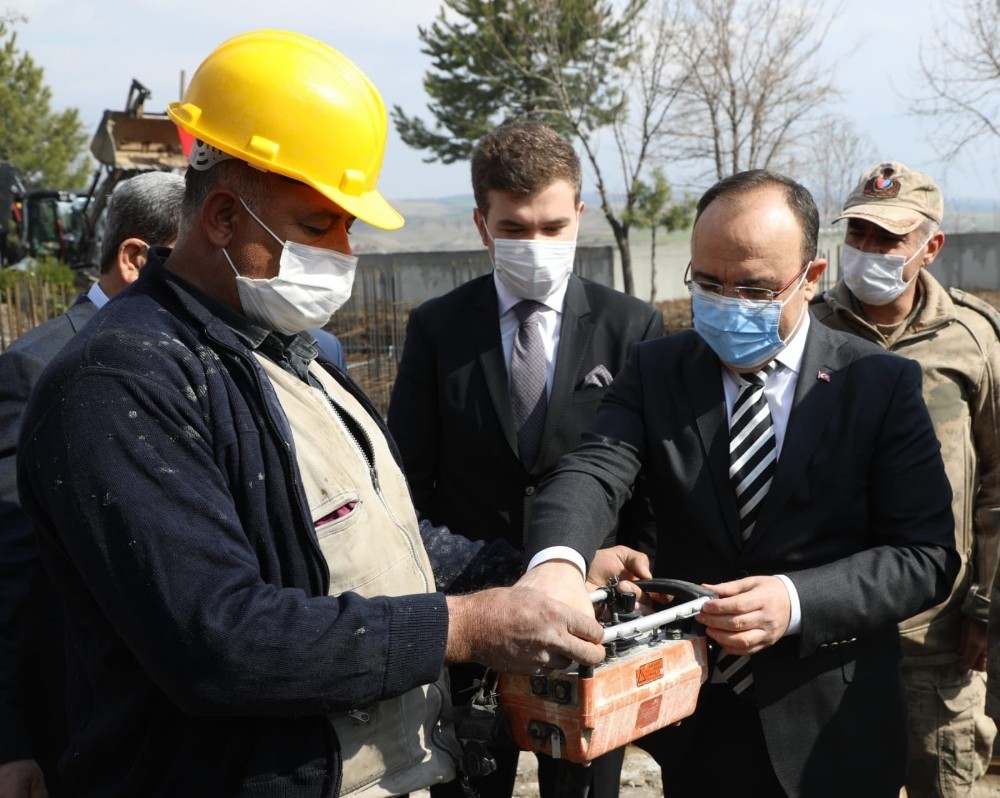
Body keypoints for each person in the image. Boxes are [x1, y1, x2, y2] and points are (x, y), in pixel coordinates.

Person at [13, 30, 637, 797]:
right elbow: (221, 639)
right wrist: (469, 626)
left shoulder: (288, 354)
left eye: (349, 225)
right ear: (221, 218)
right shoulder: (118, 384)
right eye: (318, 225)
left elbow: (388, 536)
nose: (344, 251)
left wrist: (538, 574)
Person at [515, 169, 959, 797]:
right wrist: (559, 563)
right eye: (709, 283)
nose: (727, 304)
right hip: (700, 718)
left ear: (811, 278)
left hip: (834, 722)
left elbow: (926, 557)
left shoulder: (879, 385)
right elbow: (593, 469)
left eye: (753, 288)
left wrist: (795, 600)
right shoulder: (657, 369)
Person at [386, 121, 663, 798]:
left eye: (552, 226)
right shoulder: (438, 329)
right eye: (514, 229)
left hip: (588, 620)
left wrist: (633, 587)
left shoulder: (633, 328)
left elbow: (650, 485)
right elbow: (406, 486)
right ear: (482, 223)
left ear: (579, 215)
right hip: (473, 623)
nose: (535, 244)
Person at [812, 161, 1000, 798]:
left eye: (887, 239)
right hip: (826, 617)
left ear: (930, 246)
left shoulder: (971, 340)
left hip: (936, 630)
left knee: (942, 779)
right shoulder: (809, 328)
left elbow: (998, 484)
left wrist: (985, 608)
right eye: (857, 234)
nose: (866, 251)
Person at [0, 169, 185, 798]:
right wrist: (10, 743)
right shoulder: (35, 368)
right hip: (79, 728)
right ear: (137, 258)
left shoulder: (204, 356)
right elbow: (11, 574)